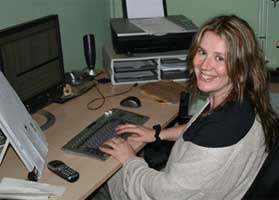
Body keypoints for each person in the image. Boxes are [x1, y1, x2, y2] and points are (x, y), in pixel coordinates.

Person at [93, 14, 278, 200]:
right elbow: (197, 128)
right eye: (202, 52)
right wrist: (158, 134)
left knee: (96, 178)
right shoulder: (242, 100)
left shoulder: (220, 131)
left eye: (220, 58)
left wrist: (130, 159)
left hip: (167, 192)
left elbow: (164, 193)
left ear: (241, 66)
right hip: (199, 187)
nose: (205, 65)